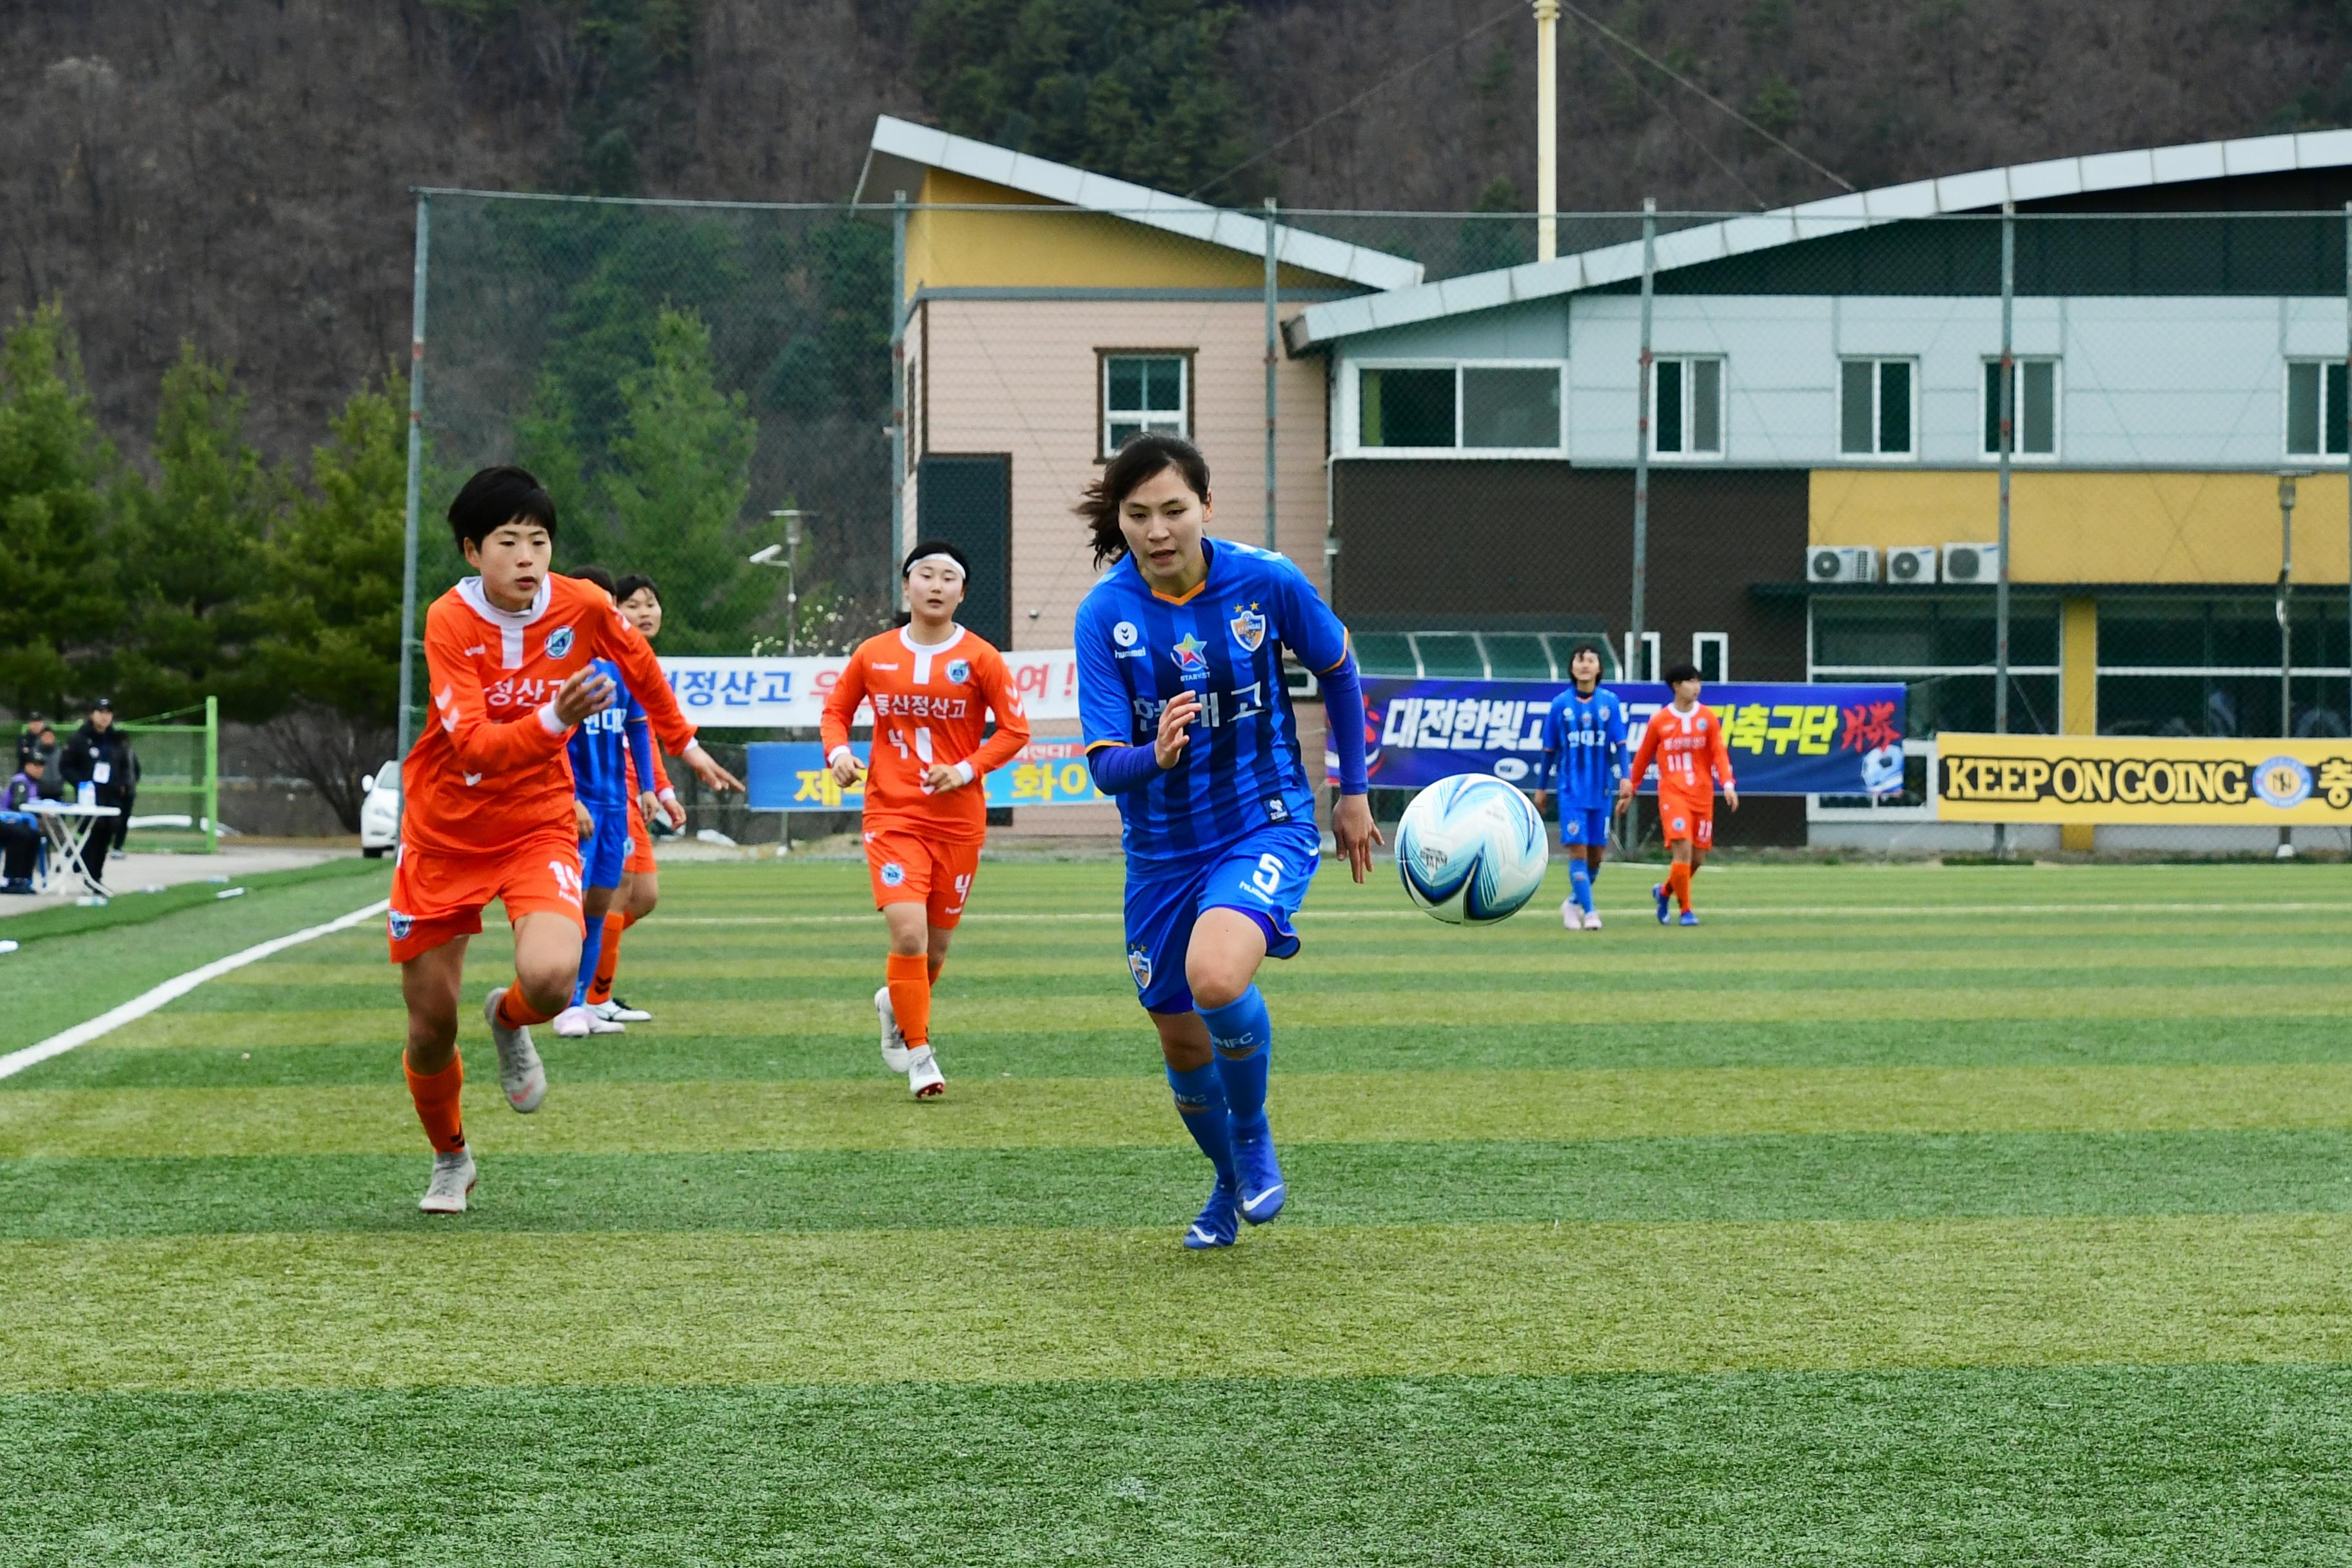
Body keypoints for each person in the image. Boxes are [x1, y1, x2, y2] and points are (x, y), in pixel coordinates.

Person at [391, 466, 742, 1215]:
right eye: (508, 541)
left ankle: (509, 1019)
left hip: (536, 818)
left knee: (552, 980)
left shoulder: (581, 604)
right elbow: (479, 748)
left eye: (540, 540)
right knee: (428, 1026)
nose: (527, 557)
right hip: (444, 830)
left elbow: (640, 665)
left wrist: (685, 744)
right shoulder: (448, 622)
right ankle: (450, 1157)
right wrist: (556, 716)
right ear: (471, 551)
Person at [1073, 433, 1379, 1250]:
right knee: (1177, 1036)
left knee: (1215, 978)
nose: (1157, 528)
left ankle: (1252, 1132)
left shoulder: (1266, 579)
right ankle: (1225, 1176)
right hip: (1162, 851)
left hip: (1264, 818)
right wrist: (1157, 754)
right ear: (1121, 519)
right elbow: (1107, 766)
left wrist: (1352, 791)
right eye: (1137, 514)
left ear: (1207, 505)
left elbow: (1343, 668)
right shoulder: (1105, 613)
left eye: (1174, 508)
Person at [822, 540, 1032, 1098]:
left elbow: (1015, 731)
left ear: (962, 593)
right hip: (891, 815)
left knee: (933, 953)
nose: (936, 586)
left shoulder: (982, 658)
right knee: (909, 935)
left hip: (958, 822)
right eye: (926, 575)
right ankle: (921, 1056)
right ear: (907, 585)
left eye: (948, 578)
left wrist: (965, 771)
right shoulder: (874, 654)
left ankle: (896, 1002)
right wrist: (838, 753)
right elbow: (836, 712)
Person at [551, 565, 656, 1041]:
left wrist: (649, 787)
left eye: (611, 602)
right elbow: (547, 741)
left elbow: (638, 725)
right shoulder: (556, 668)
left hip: (615, 805)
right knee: (570, 906)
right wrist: (569, 799)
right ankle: (563, 1003)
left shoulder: (621, 666)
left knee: (599, 905)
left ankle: (585, 1001)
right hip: (578, 804)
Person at [580, 572, 685, 1025]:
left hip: (629, 793)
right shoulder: (600, 662)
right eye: (633, 605)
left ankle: (583, 978)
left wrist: (658, 788)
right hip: (604, 793)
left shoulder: (638, 664)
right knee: (617, 893)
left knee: (642, 896)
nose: (645, 613)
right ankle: (589, 994)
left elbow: (645, 733)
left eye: (651, 604)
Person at [1619, 662, 1738, 927]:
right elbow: (1642, 758)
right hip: (1673, 794)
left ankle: (1663, 893)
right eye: (1690, 682)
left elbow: (1719, 753)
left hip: (1703, 795)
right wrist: (1631, 790)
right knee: (1682, 851)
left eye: (1698, 681)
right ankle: (1686, 911)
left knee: (1697, 859)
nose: (1696, 687)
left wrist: (1728, 785)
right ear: (1676, 686)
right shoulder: (1660, 720)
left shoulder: (1707, 718)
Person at [1533, 641, 1625, 931]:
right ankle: (1591, 911)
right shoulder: (1560, 704)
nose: (1585, 664)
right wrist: (1541, 788)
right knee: (1578, 853)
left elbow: (1620, 745)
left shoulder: (1610, 702)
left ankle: (1572, 903)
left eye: (1591, 660)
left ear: (1600, 668)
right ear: (1572, 668)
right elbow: (1549, 751)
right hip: (1571, 790)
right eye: (1579, 660)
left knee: (1597, 855)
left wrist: (1626, 778)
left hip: (1602, 791)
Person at [58, 699, 137, 890]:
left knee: (105, 837)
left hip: (112, 798)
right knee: (90, 836)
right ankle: (87, 877)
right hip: (90, 796)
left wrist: (124, 785)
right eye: (100, 712)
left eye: (108, 713)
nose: (104, 717)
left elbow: (126, 766)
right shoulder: (79, 739)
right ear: (92, 714)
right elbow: (66, 766)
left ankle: (96, 878)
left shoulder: (117, 739)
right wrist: (80, 783)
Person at [1, 754, 44, 892]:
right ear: (27, 766)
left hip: (18, 820)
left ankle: (24, 878)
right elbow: (18, 806)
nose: (39, 770)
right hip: (8, 818)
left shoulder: (34, 783)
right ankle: (12, 879)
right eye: (36, 766)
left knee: (34, 835)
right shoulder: (21, 782)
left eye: (41, 766)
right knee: (21, 835)